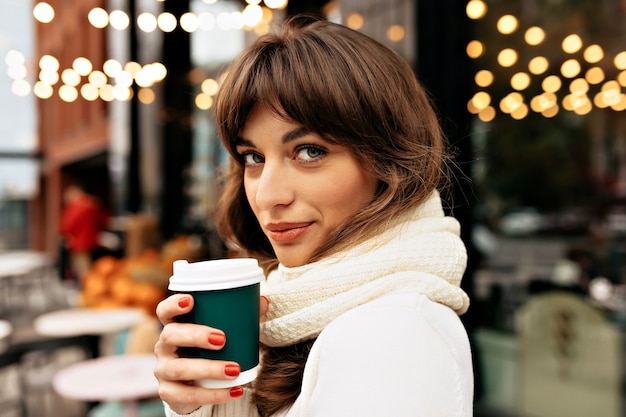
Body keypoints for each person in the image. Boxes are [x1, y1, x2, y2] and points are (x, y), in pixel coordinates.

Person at [154, 15, 473, 417]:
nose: (268, 195)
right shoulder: (292, 312)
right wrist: (198, 402)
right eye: (253, 157)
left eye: (309, 151)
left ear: (386, 160)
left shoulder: (393, 332)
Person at [58, 184, 109, 283]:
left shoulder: (73, 207)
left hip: (77, 242)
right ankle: (90, 288)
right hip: (91, 240)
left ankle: (89, 289)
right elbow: (103, 221)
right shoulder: (92, 204)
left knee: (82, 268)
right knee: (87, 266)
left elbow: (66, 226)